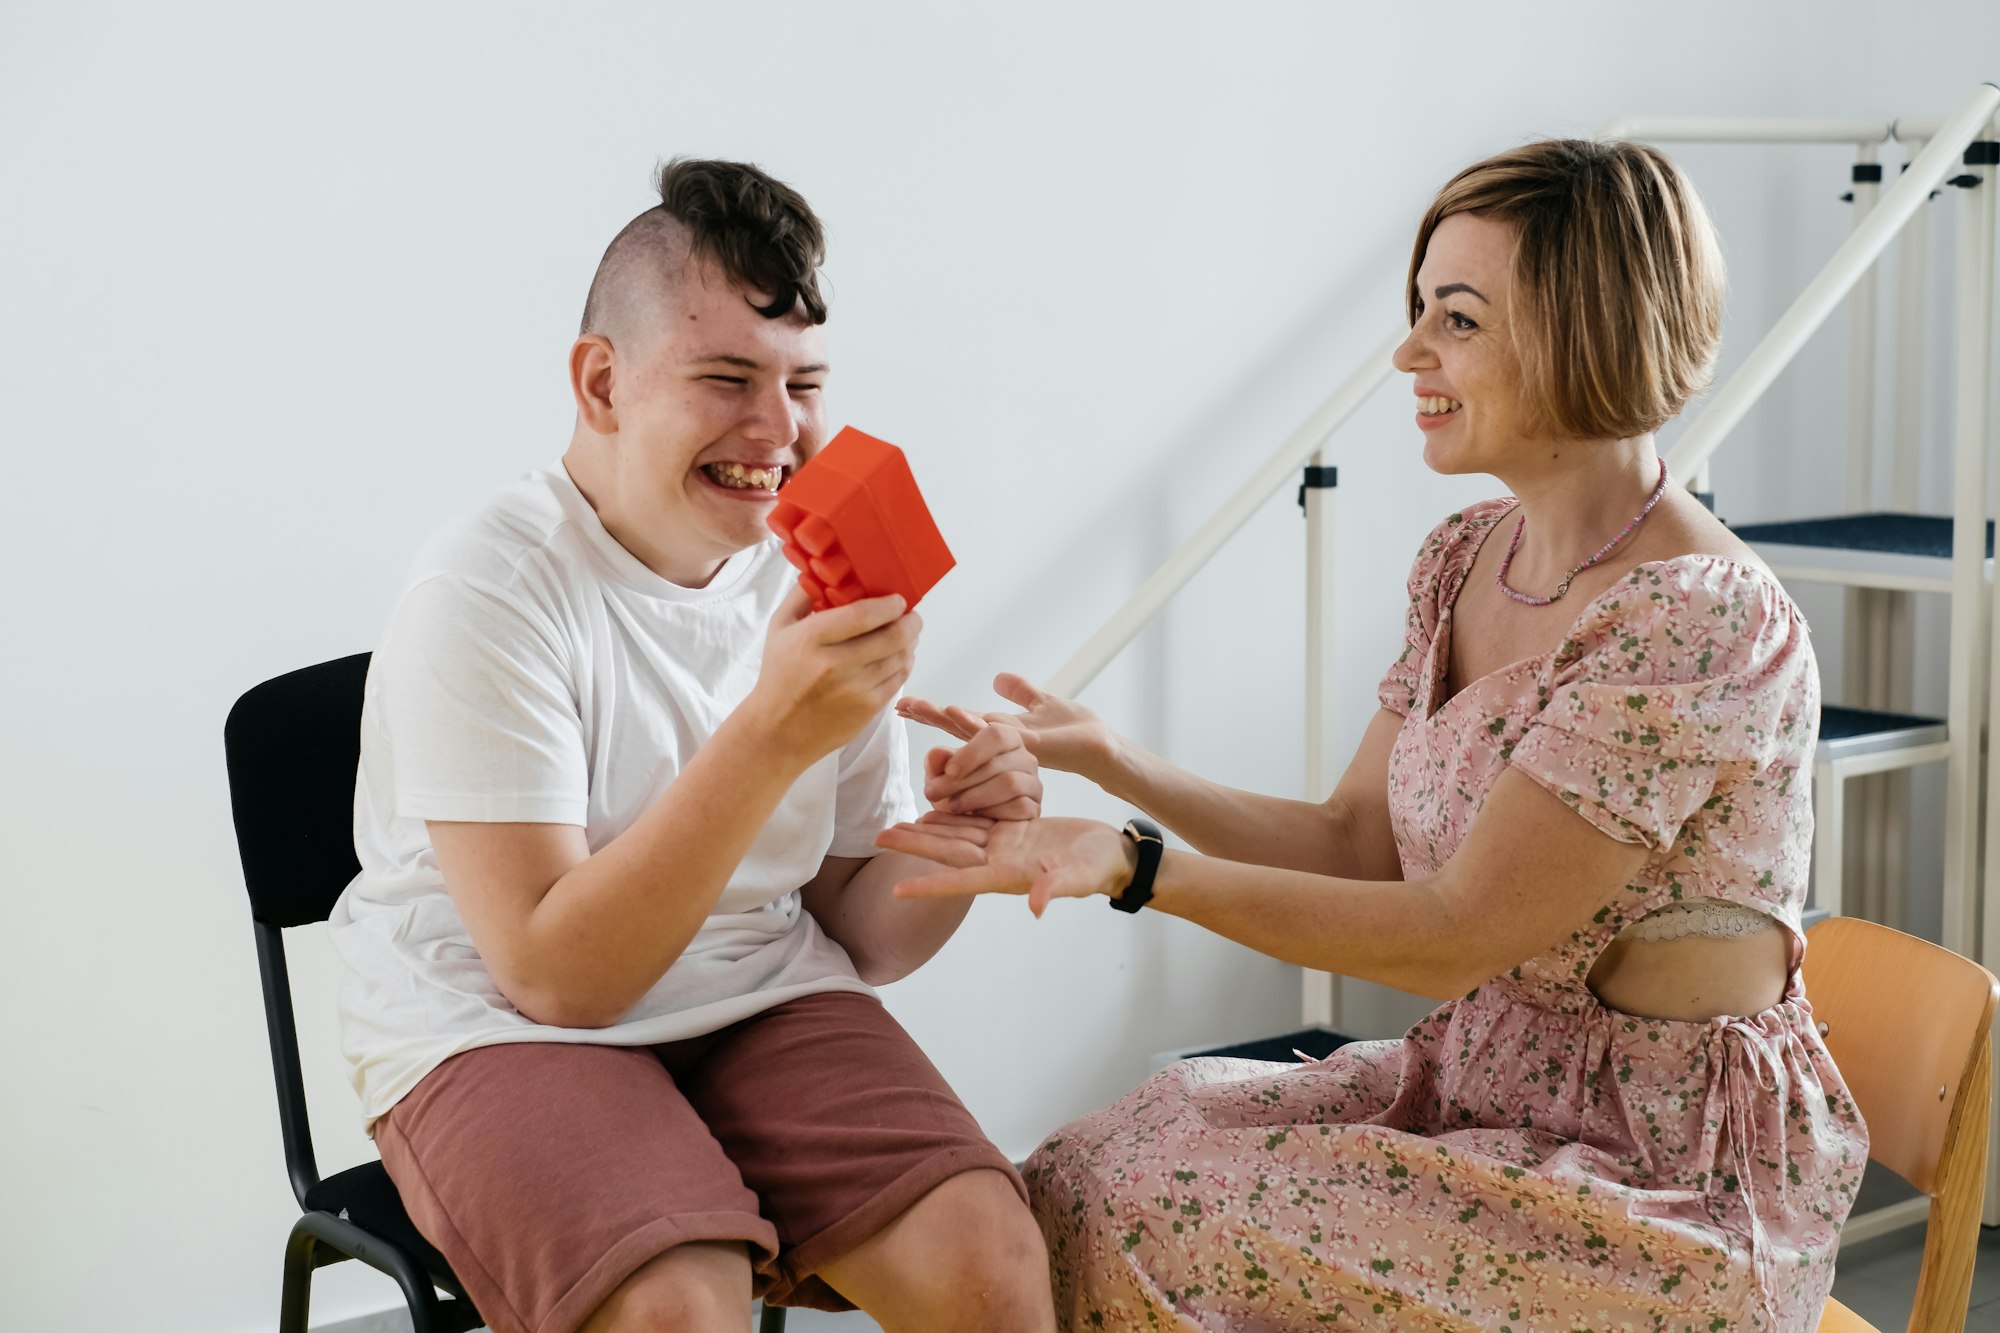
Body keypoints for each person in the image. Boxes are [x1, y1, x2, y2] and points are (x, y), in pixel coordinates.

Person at [888, 139, 1865, 1331]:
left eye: (1455, 319)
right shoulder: (1464, 557)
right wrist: (1109, 758)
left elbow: (1449, 936)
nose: (1408, 352)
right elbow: (1358, 841)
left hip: (1658, 1181)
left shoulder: (1698, 621)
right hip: (1484, 1083)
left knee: (1152, 1198)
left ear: (1585, 329)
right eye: (1418, 312)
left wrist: (1134, 870)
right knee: (1116, 1143)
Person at [328, 158, 1056, 1333]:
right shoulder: (486, 586)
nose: (778, 432)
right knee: (676, 1304)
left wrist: (967, 848)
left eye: (803, 385)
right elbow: (556, 977)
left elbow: (857, 930)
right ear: (602, 383)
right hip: (500, 1015)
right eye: (726, 378)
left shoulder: (814, 576)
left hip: (751, 988)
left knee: (989, 1257)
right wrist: (770, 733)